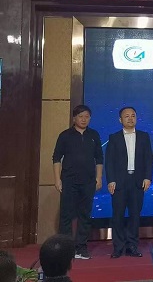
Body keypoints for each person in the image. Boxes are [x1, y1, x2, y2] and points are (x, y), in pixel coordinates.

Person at [52, 104, 103, 260]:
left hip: (88, 181)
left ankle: (81, 247)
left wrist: (99, 178)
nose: (84, 119)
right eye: (81, 116)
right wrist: (57, 179)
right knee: (66, 215)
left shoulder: (93, 135)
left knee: (85, 215)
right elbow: (56, 158)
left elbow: (99, 158)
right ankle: (66, 248)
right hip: (69, 180)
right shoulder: (65, 135)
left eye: (87, 117)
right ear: (74, 118)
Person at [105, 106, 153, 258]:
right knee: (118, 215)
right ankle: (118, 247)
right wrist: (111, 180)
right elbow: (109, 161)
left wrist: (148, 177)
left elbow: (148, 158)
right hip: (120, 181)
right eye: (126, 116)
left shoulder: (144, 136)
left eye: (133, 115)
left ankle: (132, 245)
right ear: (120, 120)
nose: (130, 118)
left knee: (135, 215)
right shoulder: (114, 137)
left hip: (137, 181)